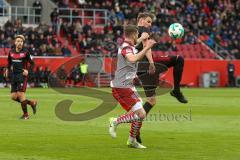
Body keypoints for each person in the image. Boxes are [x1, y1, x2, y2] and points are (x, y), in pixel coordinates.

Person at [135, 12, 188, 144]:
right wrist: (152, 63)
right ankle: (176, 90)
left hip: (140, 68)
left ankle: (136, 129)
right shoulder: (143, 30)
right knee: (179, 59)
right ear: (141, 20)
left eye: (150, 23)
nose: (149, 25)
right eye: (148, 21)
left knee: (151, 101)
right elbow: (147, 48)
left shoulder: (133, 31)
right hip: (147, 64)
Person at [109, 24, 156, 148]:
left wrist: (142, 39)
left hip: (127, 85)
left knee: (140, 113)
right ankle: (115, 121)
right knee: (140, 114)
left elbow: (134, 46)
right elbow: (132, 59)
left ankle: (131, 140)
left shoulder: (129, 46)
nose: (138, 38)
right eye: (137, 35)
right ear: (133, 35)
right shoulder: (126, 48)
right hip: (121, 86)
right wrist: (147, 47)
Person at [5, 35, 37, 120]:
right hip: (14, 76)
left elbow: (32, 63)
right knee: (13, 97)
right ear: (15, 42)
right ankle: (31, 103)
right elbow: (9, 63)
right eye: (18, 41)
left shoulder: (26, 52)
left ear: (23, 43)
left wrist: (28, 71)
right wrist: (7, 70)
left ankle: (26, 115)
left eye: (21, 42)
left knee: (20, 94)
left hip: (22, 76)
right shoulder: (11, 52)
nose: (20, 43)